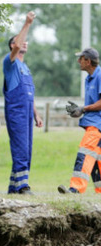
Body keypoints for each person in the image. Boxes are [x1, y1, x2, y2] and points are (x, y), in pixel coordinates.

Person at [3, 11, 43, 195]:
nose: (24, 42)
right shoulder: (9, 63)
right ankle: (23, 187)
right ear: (13, 45)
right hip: (16, 112)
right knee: (20, 149)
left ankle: (14, 187)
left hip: (27, 112)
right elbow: (19, 43)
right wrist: (27, 23)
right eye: (20, 41)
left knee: (26, 149)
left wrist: (36, 114)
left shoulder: (25, 67)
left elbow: (29, 94)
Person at [58, 48, 101, 194]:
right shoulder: (89, 79)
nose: (78, 61)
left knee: (85, 154)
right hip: (94, 123)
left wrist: (83, 109)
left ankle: (75, 189)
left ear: (88, 61)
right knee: (96, 160)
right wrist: (80, 112)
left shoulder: (100, 76)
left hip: (97, 125)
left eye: (81, 58)